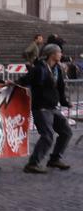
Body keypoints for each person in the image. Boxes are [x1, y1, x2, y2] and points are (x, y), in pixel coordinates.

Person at [21, 44, 72, 174]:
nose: (61, 54)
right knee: (47, 136)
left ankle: (54, 159)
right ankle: (33, 164)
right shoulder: (39, 68)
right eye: (59, 52)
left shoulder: (57, 69)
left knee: (66, 132)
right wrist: (11, 83)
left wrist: (64, 102)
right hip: (41, 108)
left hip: (53, 107)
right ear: (52, 54)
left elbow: (59, 88)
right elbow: (26, 79)